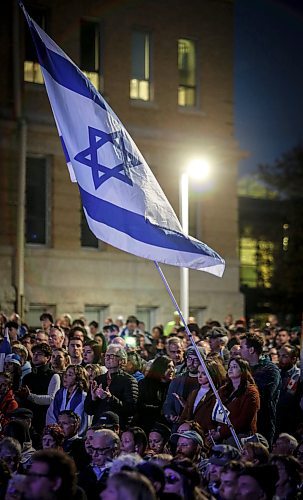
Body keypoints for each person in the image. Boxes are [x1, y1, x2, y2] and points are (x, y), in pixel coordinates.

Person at [240, 332, 281, 447]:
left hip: (262, 423)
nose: (239, 351)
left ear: (251, 350)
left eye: (242, 347)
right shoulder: (244, 367)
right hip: (245, 423)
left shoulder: (270, 370)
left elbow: (263, 396)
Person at [209, 357, 260, 445]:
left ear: (243, 371)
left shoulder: (251, 393)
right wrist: (213, 429)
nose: (230, 369)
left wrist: (221, 433)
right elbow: (214, 411)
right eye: (229, 367)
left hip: (239, 436)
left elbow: (243, 420)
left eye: (235, 367)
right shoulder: (223, 390)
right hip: (220, 432)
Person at [85, 345, 138, 428]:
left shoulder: (129, 381)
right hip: (98, 426)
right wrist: (93, 398)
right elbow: (88, 410)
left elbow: (130, 409)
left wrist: (110, 398)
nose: (107, 358)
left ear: (122, 361)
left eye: (111, 356)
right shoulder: (99, 379)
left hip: (117, 427)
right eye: (106, 356)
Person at [18, 343, 61, 434]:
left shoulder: (53, 376)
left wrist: (30, 396)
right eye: (34, 353)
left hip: (44, 419)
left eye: (39, 354)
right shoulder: (28, 376)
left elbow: (51, 399)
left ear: (48, 358)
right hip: (27, 419)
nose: (35, 356)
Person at [179, 359, 226, 433]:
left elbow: (213, 418)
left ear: (212, 374)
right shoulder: (194, 393)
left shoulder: (217, 394)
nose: (199, 376)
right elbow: (185, 415)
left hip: (204, 433)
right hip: (189, 432)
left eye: (204, 373)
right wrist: (183, 424)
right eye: (198, 372)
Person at [163, 346, 204, 427]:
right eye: (189, 359)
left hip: (198, 425)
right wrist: (171, 415)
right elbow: (168, 403)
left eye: (195, 360)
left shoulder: (206, 381)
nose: (191, 363)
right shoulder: (178, 380)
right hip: (178, 426)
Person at [47, 364, 89, 436]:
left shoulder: (83, 397)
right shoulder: (59, 394)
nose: (65, 377)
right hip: (57, 435)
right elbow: (51, 414)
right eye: (65, 374)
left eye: (70, 375)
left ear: (78, 379)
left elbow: (83, 421)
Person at [136, 355, 174, 433]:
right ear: (159, 368)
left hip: (166, 426)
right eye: (168, 367)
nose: (172, 370)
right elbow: (140, 405)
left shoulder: (173, 385)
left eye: (173, 367)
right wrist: (161, 409)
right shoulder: (145, 384)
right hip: (147, 425)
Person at [78, 429, 120, 499]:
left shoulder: (121, 475)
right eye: (93, 449)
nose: (94, 454)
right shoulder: (83, 473)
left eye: (100, 450)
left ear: (114, 450)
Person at [276, 344, 302, 436]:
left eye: (284, 356)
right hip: (276, 418)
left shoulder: (298, 375)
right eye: (279, 356)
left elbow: (288, 397)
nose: (280, 359)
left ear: (294, 359)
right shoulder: (276, 372)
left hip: (290, 420)